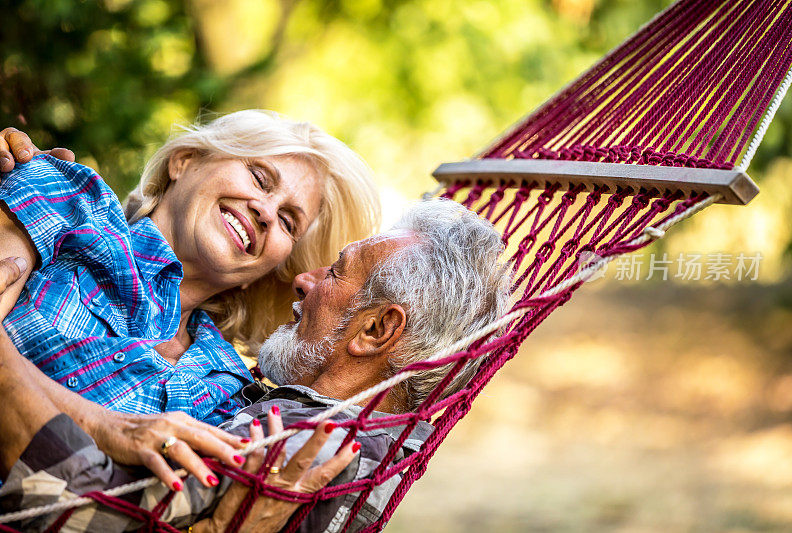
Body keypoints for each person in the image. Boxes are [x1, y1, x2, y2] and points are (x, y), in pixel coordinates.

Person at [0, 198, 511, 532]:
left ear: (375, 331)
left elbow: (73, 512)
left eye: (335, 272)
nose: (304, 280)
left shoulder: (312, 442)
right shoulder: (367, 432)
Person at [0, 111, 380, 489]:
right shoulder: (68, 200)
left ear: (268, 270)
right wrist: (108, 428)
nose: (266, 213)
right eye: (260, 178)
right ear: (184, 162)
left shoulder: (234, 391)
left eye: (288, 221)